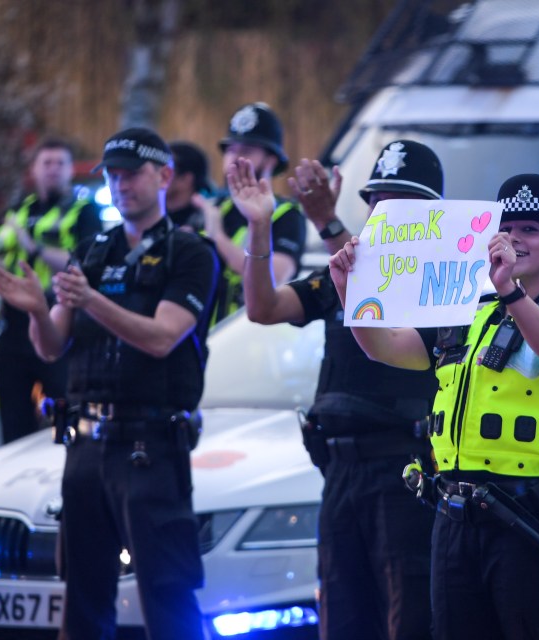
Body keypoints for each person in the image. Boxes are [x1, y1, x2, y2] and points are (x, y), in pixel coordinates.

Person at [331, 173, 539, 640]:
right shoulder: (462, 313)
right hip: (455, 516)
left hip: (528, 519)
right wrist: (350, 290)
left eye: (531, 230)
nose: (514, 238)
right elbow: (386, 347)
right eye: (507, 227)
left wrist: (510, 292)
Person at [0, 127, 218, 640]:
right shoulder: (92, 251)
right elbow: (52, 347)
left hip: (151, 446)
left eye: (131, 174)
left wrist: (91, 300)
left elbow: (162, 338)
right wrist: (34, 311)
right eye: (111, 176)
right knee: (84, 595)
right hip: (87, 446)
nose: (120, 185)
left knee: (166, 590)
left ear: (163, 176)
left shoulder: (190, 253)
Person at [229, 140, 443, 640]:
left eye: (401, 204)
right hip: (341, 471)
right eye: (377, 202)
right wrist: (260, 227)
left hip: (404, 470)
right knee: (343, 617)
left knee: (406, 619)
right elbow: (262, 307)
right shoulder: (342, 272)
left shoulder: (440, 282)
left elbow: (376, 293)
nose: (385, 215)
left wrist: (326, 223)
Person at [0, 137, 102, 443]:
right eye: (47, 163)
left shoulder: (84, 212)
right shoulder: (15, 211)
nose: (53, 170)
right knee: (13, 424)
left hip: (60, 325)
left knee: (69, 420)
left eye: (60, 163)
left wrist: (36, 248)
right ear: (34, 169)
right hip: (14, 328)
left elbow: (86, 264)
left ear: (70, 170)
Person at [204, 102, 306, 321]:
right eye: (230, 150)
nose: (235, 158)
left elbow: (276, 276)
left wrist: (218, 237)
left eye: (246, 150)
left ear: (271, 159)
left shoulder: (288, 215)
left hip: (255, 345)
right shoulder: (215, 209)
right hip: (209, 343)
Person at [166, 140, 216, 232]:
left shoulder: (208, 220)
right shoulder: (148, 214)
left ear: (186, 179)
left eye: (165, 171)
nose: (155, 176)